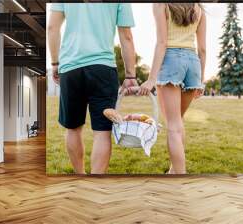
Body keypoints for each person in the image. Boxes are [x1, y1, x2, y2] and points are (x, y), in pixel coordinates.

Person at [47, 3, 138, 174]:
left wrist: (55, 62)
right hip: (103, 69)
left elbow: (52, 27)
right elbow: (126, 36)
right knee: (102, 132)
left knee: (73, 129)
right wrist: (130, 75)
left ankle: (80, 177)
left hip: (70, 69)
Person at [139, 3, 206, 174]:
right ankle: (173, 171)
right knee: (178, 121)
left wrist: (151, 79)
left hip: (171, 59)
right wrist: (201, 80)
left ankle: (180, 177)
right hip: (193, 63)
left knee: (173, 125)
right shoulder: (199, 8)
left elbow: (162, 42)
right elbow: (203, 50)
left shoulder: (161, 4)